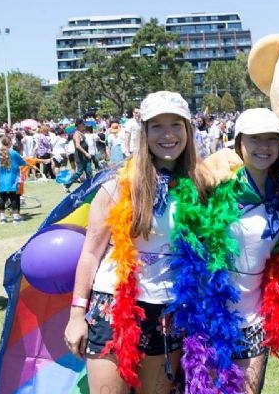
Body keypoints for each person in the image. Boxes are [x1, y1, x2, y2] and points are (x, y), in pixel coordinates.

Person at [64, 91, 204, 393]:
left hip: (168, 311)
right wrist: (76, 315)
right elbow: (90, 254)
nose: (167, 135)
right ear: (145, 133)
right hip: (115, 307)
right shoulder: (117, 186)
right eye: (157, 126)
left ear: (188, 130)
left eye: (176, 124)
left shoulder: (200, 184)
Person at [225, 108, 279, 393]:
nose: (264, 146)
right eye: (255, 138)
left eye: (271, 139)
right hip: (212, 317)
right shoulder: (218, 188)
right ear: (239, 143)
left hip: (255, 318)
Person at [0, 136, 28, 224]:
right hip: (12, 178)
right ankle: (16, 217)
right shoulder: (13, 153)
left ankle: (2, 218)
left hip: (2, 179)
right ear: (10, 143)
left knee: (3, 198)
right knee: (14, 197)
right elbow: (22, 162)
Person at [63, 119, 92, 193]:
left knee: (89, 171)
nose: (84, 125)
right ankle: (66, 184)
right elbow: (78, 146)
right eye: (83, 124)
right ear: (79, 125)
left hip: (86, 156)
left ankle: (90, 186)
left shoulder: (81, 133)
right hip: (80, 156)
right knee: (79, 172)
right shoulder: (76, 134)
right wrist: (86, 153)